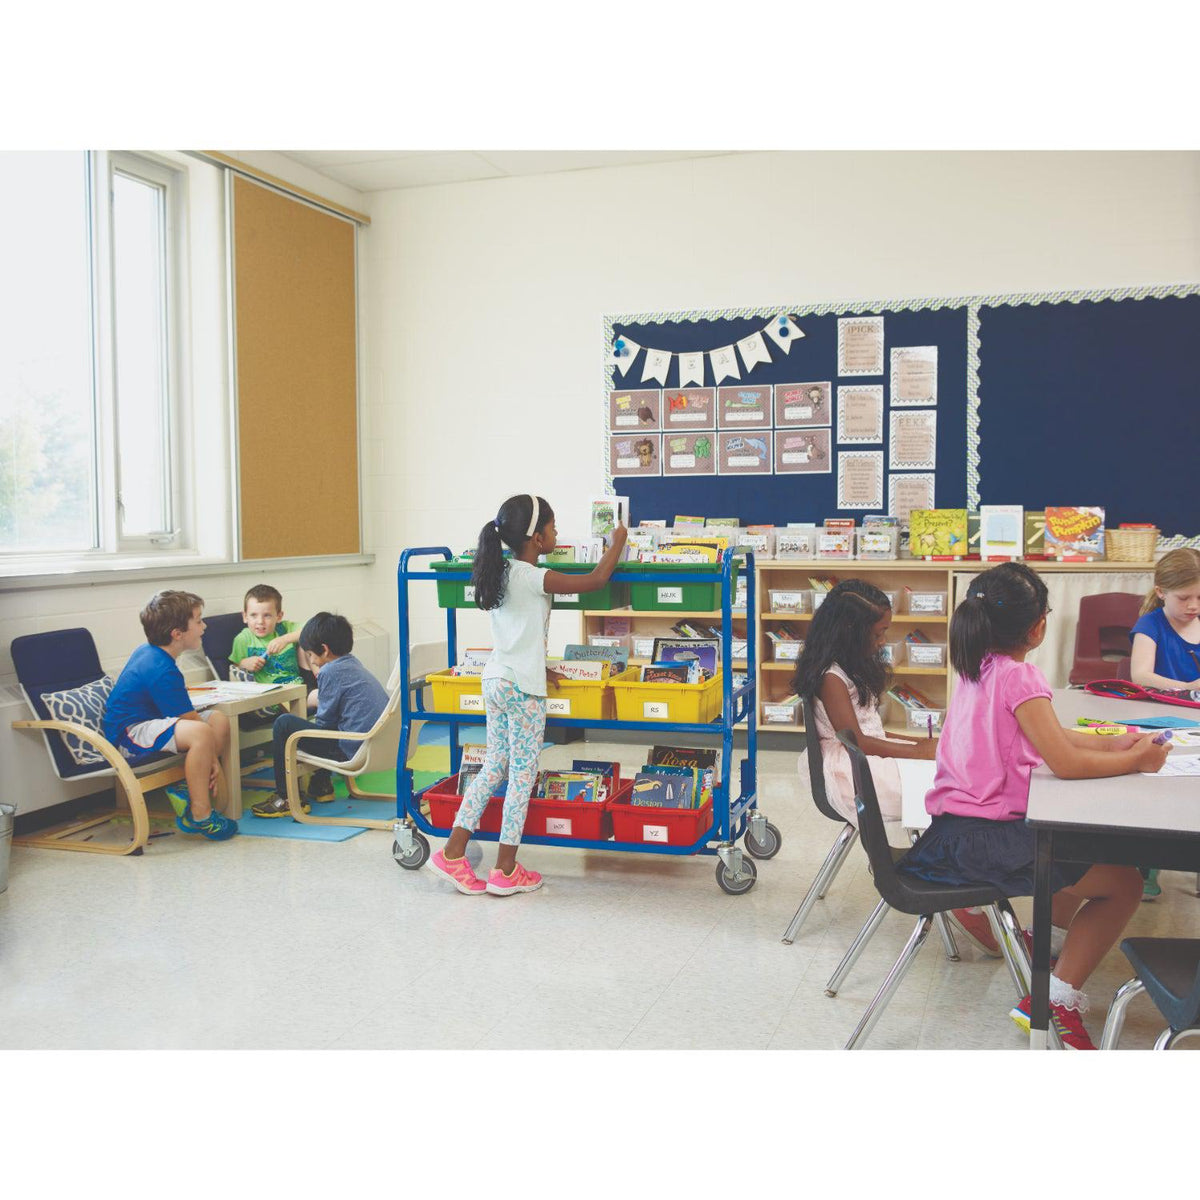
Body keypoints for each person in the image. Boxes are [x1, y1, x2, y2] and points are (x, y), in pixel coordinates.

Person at [898, 563, 1168, 1048]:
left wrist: (1118, 743)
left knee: (1075, 844)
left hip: (954, 833)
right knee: (1124, 882)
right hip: (987, 841)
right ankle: (1053, 999)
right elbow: (1062, 761)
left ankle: (1046, 951)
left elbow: (1053, 737)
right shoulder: (1021, 677)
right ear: (1038, 626)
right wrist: (1137, 764)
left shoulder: (976, 667)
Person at [430, 494, 627, 897]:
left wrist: (544, 665)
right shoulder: (534, 576)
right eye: (553, 528)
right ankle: (505, 870)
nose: (557, 534)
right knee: (521, 776)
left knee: (493, 768)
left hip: (498, 679)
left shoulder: (498, 571)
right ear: (536, 538)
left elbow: (519, 634)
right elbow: (595, 582)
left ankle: (451, 853)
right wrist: (618, 540)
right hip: (522, 690)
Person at [791, 581, 1001, 950]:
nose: (882, 640)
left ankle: (951, 872)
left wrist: (915, 746)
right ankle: (953, 882)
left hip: (867, 757)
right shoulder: (830, 676)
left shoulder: (846, 665)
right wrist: (916, 751)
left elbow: (870, 730)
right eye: (879, 633)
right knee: (950, 786)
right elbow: (855, 739)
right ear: (852, 632)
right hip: (851, 770)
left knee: (948, 766)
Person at [103, 590, 236, 840]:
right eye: (198, 621)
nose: (204, 626)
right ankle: (200, 815)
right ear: (177, 634)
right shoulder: (160, 668)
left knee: (217, 720)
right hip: (129, 735)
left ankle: (190, 787)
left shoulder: (154, 653)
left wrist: (209, 757)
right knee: (201, 731)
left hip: (154, 723)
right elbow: (190, 722)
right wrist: (214, 761)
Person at [249, 612, 389, 818]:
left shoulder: (329, 671)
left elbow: (324, 725)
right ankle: (321, 786)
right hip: (378, 746)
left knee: (284, 724)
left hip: (352, 749)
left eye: (310, 655)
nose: (311, 660)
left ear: (324, 650)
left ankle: (285, 797)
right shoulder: (353, 663)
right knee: (321, 726)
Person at [1127, 547, 1200, 898]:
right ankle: (1148, 865)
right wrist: (1186, 688)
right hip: (1160, 722)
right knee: (1157, 793)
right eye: (1184, 597)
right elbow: (1140, 674)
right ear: (1160, 592)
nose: (1193, 606)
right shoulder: (1151, 624)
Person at [231, 583, 306, 686]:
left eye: (267, 615)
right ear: (245, 616)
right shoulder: (243, 639)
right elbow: (234, 670)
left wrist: (285, 639)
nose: (260, 621)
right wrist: (243, 664)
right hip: (268, 696)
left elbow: (315, 629)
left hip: (297, 690)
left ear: (279, 616)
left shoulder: (286, 629)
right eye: (253, 615)